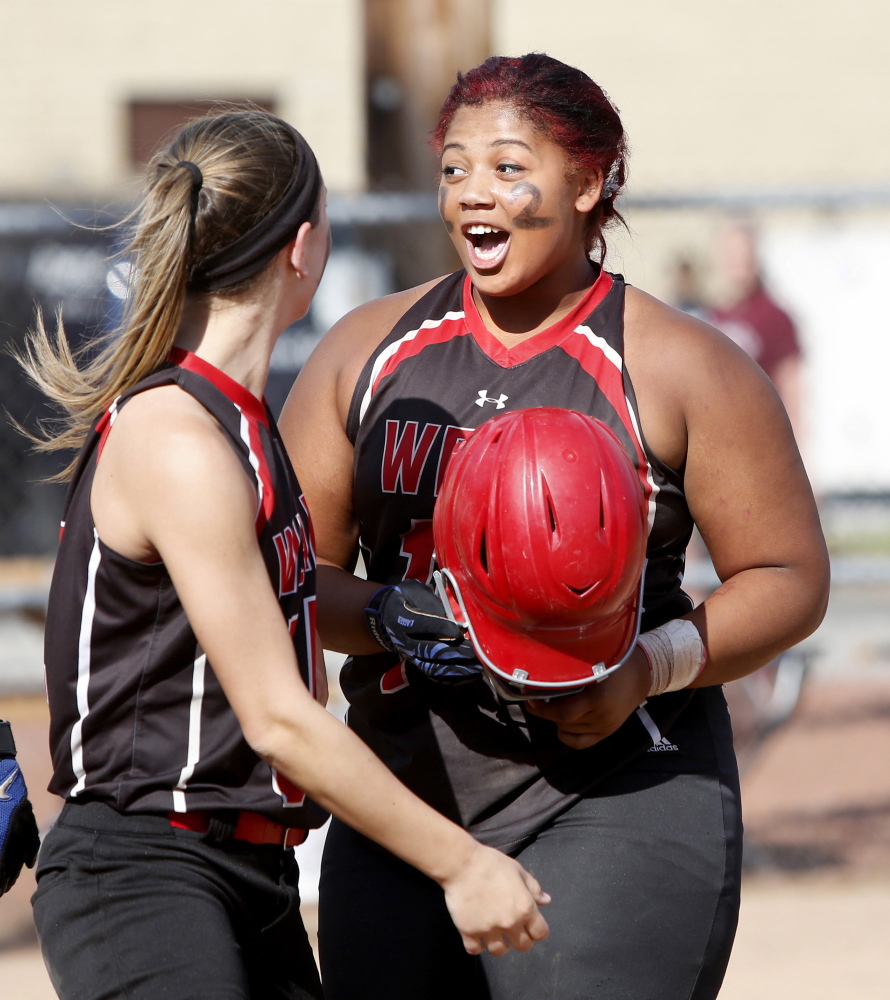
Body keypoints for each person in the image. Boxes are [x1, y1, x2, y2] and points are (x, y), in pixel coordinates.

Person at [281, 55, 830, 1000]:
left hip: (619, 782)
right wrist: (387, 614)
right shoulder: (366, 349)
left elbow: (789, 577)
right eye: (454, 170)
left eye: (506, 167)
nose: (472, 196)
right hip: (409, 798)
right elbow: (290, 573)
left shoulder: (679, 363)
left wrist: (645, 671)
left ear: (588, 183)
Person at [20, 108, 549, 1000]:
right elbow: (277, 719)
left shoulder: (247, 425)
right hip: (141, 870)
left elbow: (276, 623)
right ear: (302, 248)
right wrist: (463, 862)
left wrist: (388, 611)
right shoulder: (178, 435)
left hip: (247, 873)